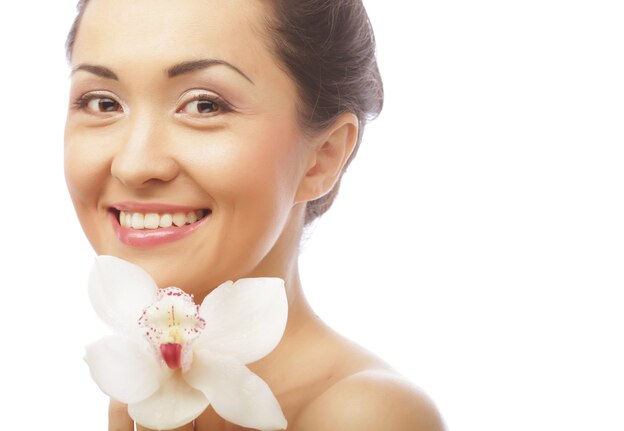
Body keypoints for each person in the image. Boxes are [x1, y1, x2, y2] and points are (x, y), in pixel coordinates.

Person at [64, 0, 445, 429]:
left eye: (204, 105)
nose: (133, 165)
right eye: (102, 103)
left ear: (322, 157)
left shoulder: (366, 415)